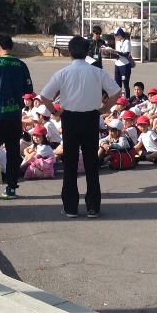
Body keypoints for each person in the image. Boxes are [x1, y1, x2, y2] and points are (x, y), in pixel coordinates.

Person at [38, 35, 121, 218]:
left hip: (70, 118)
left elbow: (45, 96)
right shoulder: (97, 72)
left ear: (70, 52)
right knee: (91, 162)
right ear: (88, 51)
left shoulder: (63, 73)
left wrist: (55, 111)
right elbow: (116, 91)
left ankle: (70, 207)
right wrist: (105, 108)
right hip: (91, 118)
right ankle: (93, 206)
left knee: (71, 163)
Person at [0, 33, 34, 201]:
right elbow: (28, 90)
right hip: (15, 114)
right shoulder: (21, 64)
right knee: (12, 152)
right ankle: (10, 188)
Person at [108, 28, 134, 97]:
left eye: (115, 35)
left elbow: (126, 54)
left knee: (125, 83)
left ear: (119, 35)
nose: (115, 37)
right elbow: (117, 56)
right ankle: (118, 98)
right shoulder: (118, 42)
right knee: (117, 83)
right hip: (117, 64)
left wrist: (117, 52)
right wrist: (110, 52)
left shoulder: (127, 42)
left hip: (125, 65)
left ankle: (127, 98)